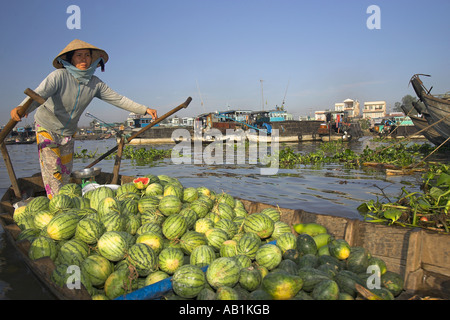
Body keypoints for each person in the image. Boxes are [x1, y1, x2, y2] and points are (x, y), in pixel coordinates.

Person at [10, 39, 158, 199]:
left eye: (87, 55)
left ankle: (67, 203)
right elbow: (39, 94)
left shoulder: (95, 84)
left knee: (65, 173)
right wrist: (21, 108)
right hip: (46, 126)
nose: (83, 59)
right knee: (53, 170)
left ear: (93, 59)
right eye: (79, 55)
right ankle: (58, 208)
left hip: (68, 131)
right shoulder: (59, 76)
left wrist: (144, 109)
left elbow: (119, 99)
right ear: (70, 59)